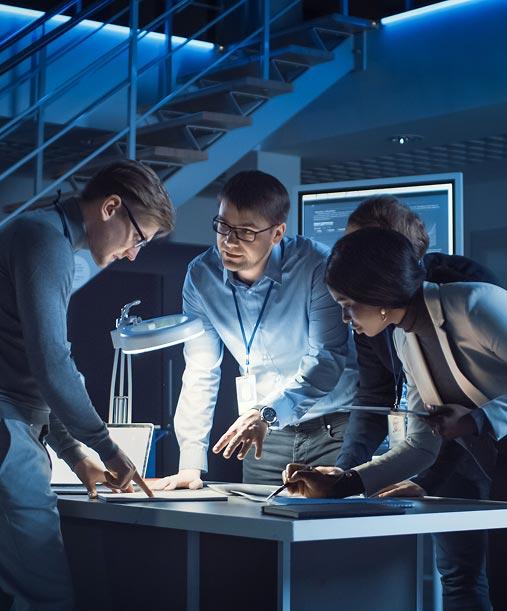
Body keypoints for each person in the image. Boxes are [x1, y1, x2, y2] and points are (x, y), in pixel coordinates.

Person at [0, 160, 174, 611]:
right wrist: (109, 448)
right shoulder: (43, 241)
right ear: (110, 207)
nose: (133, 252)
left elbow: (30, 365)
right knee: (49, 604)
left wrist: (74, 454)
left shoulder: (43, 236)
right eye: (137, 236)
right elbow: (51, 363)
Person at [284, 227, 507, 611]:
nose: (346, 318)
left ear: (382, 297)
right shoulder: (406, 339)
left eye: (349, 305)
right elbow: (421, 443)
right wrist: (347, 482)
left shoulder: (476, 304)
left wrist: (481, 419)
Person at [335, 197, 500, 611]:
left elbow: (482, 398)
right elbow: (375, 394)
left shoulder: (464, 288)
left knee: (474, 576)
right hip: (429, 438)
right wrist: (344, 476)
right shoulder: (369, 309)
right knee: (459, 575)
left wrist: (428, 477)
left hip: (493, 444)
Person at [150, 170, 355, 490]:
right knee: (264, 532)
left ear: (277, 233)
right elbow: (200, 369)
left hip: (334, 430)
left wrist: (267, 413)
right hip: (264, 436)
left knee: (334, 533)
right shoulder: (201, 276)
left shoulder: (316, 265)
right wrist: (191, 462)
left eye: (245, 232)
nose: (228, 242)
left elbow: (326, 358)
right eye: (223, 226)